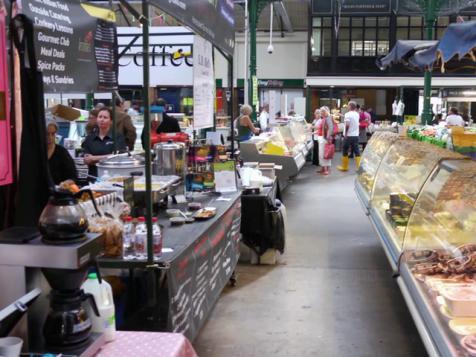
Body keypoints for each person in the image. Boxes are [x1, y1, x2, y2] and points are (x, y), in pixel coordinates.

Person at [82, 107, 127, 179]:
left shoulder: (118, 137)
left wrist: (94, 158)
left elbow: (118, 157)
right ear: (97, 119)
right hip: (94, 177)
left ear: (111, 121)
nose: (102, 120)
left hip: (113, 177)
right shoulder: (89, 138)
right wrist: (108, 157)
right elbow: (87, 160)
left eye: (105, 117)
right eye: (100, 117)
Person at [338, 101, 361, 171]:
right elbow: (351, 119)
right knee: (357, 151)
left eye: (348, 105)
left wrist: (346, 134)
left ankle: (345, 167)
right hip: (355, 136)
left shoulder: (348, 114)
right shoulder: (357, 114)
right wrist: (341, 115)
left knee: (345, 150)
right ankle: (359, 168)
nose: (347, 106)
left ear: (350, 106)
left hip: (348, 136)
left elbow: (347, 124)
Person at [318, 106, 334, 176]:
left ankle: (326, 169)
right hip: (323, 138)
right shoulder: (325, 118)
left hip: (325, 139)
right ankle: (323, 168)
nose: (320, 112)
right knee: (322, 154)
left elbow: (330, 128)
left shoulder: (327, 118)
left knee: (325, 154)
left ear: (325, 112)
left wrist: (327, 138)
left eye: (322, 111)